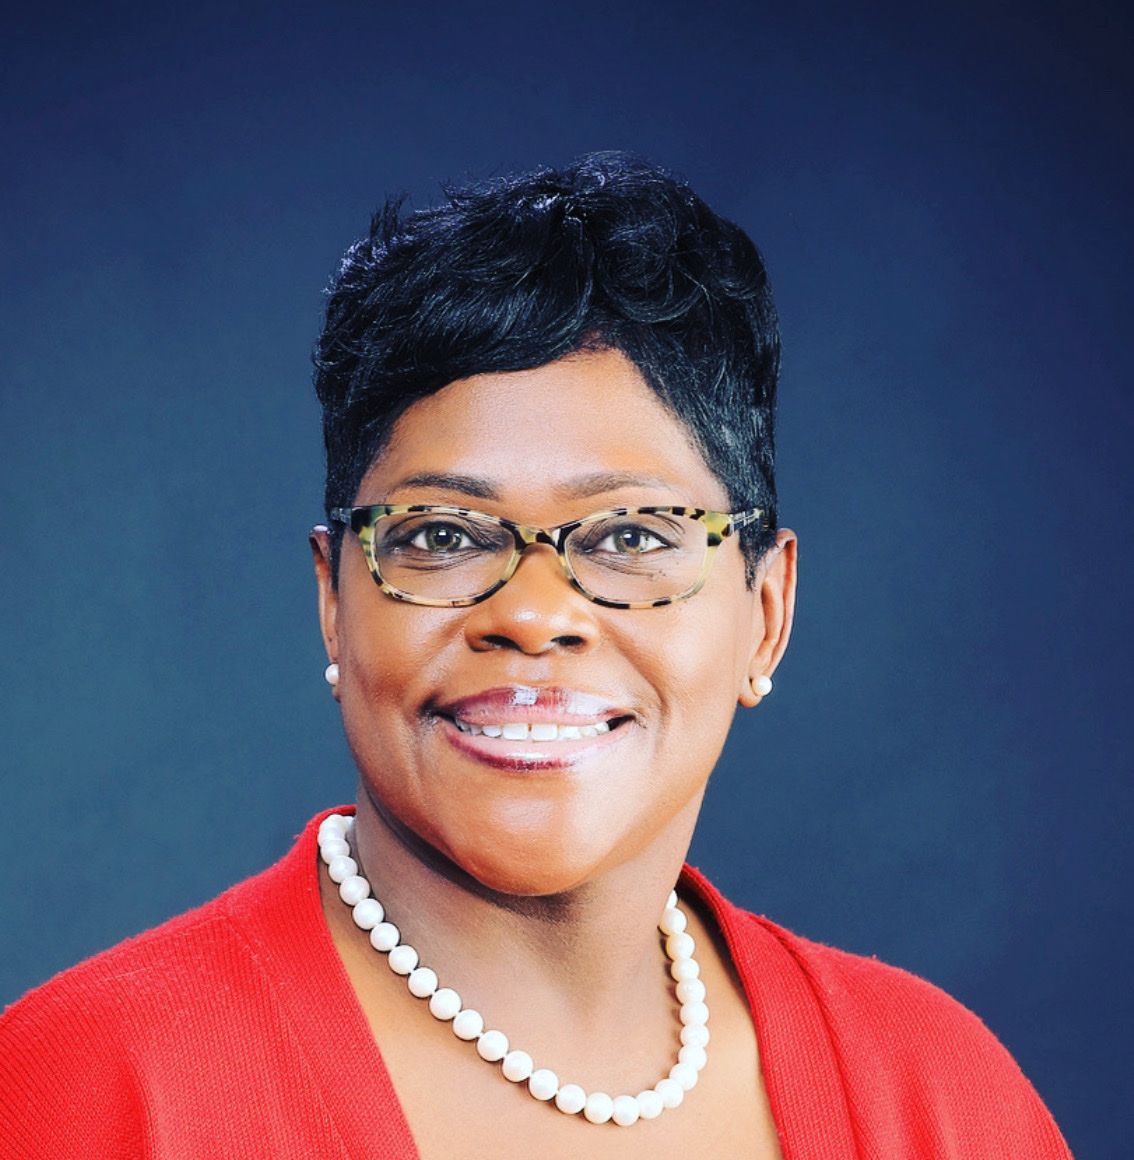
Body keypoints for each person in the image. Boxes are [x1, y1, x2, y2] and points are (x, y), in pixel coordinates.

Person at [0, 153, 1071, 1158]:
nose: (534, 610)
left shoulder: (941, 1094)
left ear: (768, 611)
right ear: (333, 599)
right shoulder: (83, 1086)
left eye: (632, 536)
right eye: (442, 535)